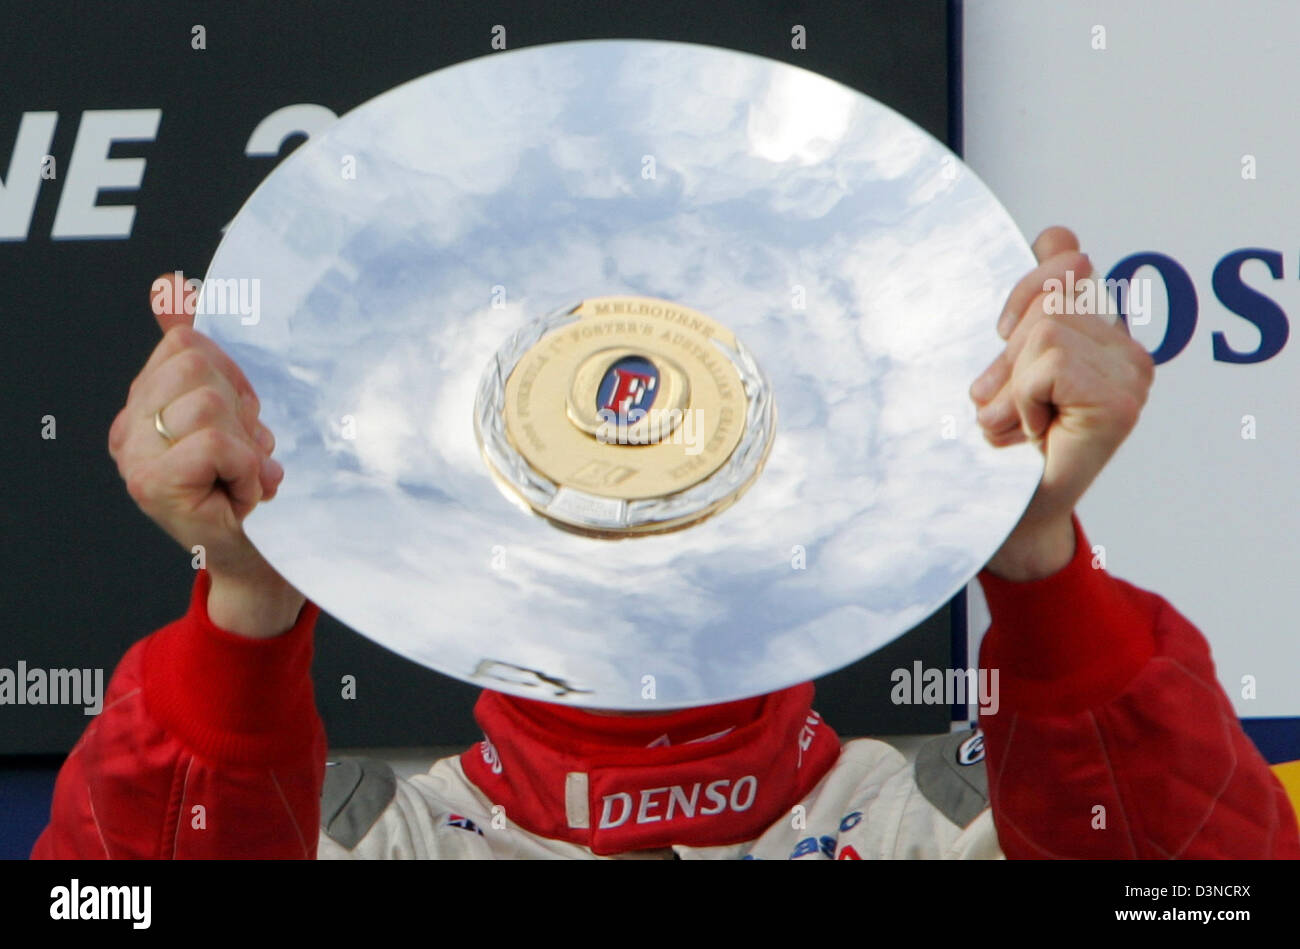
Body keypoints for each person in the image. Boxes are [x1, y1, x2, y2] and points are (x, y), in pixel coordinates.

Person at [32, 228, 1300, 859]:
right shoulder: (367, 840)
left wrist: (1035, 561)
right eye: (571, 431)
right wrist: (242, 606)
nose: (628, 470)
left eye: (684, 431)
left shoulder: (952, 828)